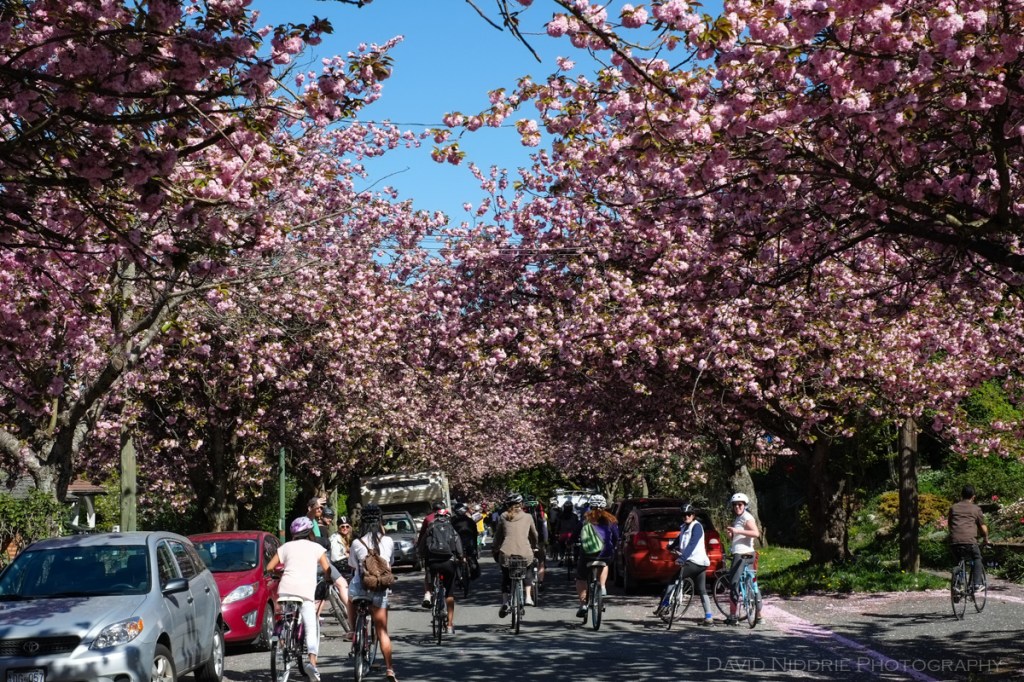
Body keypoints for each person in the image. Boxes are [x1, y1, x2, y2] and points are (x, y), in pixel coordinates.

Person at [265, 516, 332, 682]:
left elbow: (269, 568)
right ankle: (312, 663)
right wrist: (327, 579)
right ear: (309, 532)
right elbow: (327, 569)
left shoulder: (285, 547)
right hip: (305, 592)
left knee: (286, 617)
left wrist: (279, 574)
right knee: (311, 626)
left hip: (285, 589)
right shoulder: (316, 547)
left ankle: (283, 641)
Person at [348, 503, 399, 682]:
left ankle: (353, 630)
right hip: (378, 588)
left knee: (350, 597)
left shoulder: (356, 542)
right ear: (380, 520)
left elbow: (353, 566)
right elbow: (390, 563)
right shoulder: (388, 541)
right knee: (382, 631)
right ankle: (390, 669)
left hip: (360, 587)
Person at [656, 503, 714, 625]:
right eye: (684, 515)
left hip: (695, 562)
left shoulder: (697, 527)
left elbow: (692, 544)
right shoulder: (683, 527)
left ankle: (664, 605)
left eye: (689, 514)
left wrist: (682, 558)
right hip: (698, 563)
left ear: (693, 515)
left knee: (674, 580)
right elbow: (679, 539)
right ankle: (709, 617)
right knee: (702, 589)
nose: (686, 517)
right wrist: (671, 546)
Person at [492, 492, 539, 616]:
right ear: (521, 504)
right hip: (525, 552)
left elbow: (498, 536)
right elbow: (534, 535)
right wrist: (534, 547)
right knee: (528, 571)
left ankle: (505, 602)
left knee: (506, 577)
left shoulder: (503, 516)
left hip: (507, 552)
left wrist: (495, 548)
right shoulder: (528, 517)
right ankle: (528, 597)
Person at [572, 494, 619, 618]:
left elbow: (575, 534)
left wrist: (569, 543)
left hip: (587, 554)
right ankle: (602, 587)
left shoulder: (585, 519)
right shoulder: (611, 520)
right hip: (605, 554)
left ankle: (583, 604)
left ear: (590, 505)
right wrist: (612, 546)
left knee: (581, 577)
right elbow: (616, 537)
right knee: (605, 564)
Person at [419, 507, 464, 634]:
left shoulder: (431, 528)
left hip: (433, 562)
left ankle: (428, 595)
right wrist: (461, 558)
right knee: (449, 593)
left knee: (429, 575)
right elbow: (459, 546)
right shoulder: (451, 529)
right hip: (448, 562)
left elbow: (422, 546)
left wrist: (421, 556)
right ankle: (449, 625)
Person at [725, 492, 763, 625]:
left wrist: (737, 531)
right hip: (748, 553)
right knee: (752, 583)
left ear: (745, 505)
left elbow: (756, 533)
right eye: (735, 505)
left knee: (734, 583)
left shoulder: (747, 517)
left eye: (740, 504)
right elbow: (741, 537)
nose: (737, 507)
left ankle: (733, 616)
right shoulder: (738, 518)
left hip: (741, 555)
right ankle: (759, 615)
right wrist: (731, 535)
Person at [948, 484, 990, 588]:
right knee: (977, 558)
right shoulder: (975, 509)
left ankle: (958, 584)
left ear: (961, 495)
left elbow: (950, 525)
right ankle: (976, 584)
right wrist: (985, 539)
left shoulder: (953, 508)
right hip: (970, 542)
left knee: (959, 560)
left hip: (954, 542)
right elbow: (983, 527)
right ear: (973, 496)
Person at [417, 500, 447, 608]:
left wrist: (419, 550)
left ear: (433, 509)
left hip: (431, 552)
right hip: (447, 553)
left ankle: (427, 594)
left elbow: (422, 536)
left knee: (428, 574)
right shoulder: (448, 517)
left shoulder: (428, 518)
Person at [451, 503, 480, 578]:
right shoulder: (469, 521)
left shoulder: (453, 521)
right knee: (471, 557)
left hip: (458, 544)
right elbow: (475, 533)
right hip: (468, 543)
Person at [551, 500, 580, 565]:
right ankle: (575, 560)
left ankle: (562, 558)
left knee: (561, 545)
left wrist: (556, 533)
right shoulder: (574, 516)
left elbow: (557, 526)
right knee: (577, 546)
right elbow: (578, 526)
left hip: (563, 535)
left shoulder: (560, 516)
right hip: (572, 535)